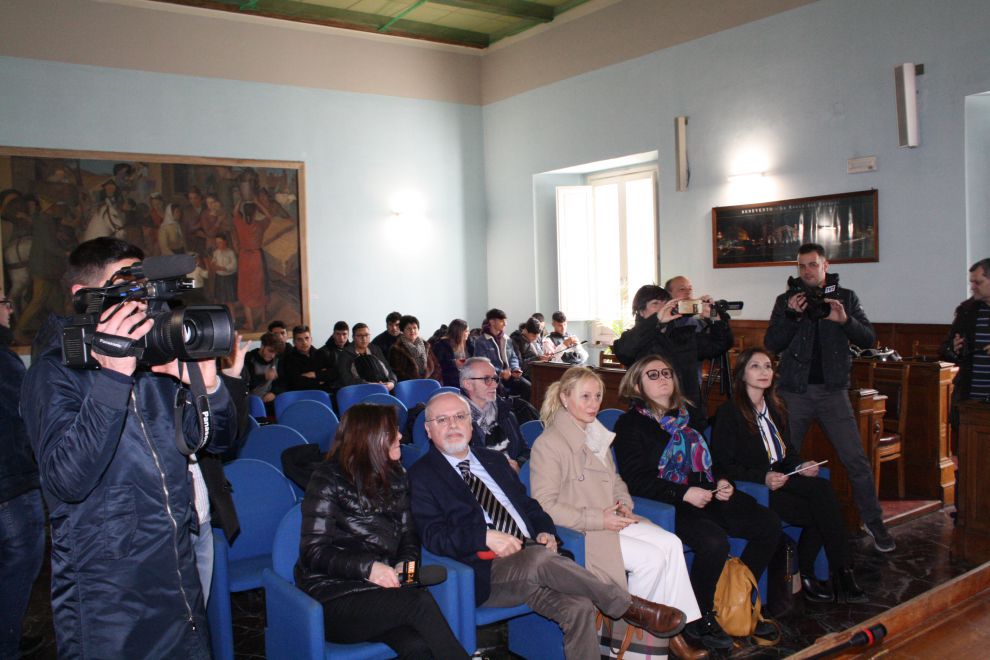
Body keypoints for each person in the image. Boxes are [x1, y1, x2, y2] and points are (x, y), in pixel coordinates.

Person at [20, 237, 236, 658]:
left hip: (177, 572)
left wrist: (208, 387)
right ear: (84, 296)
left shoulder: (154, 363)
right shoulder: (52, 373)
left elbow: (217, 441)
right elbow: (67, 481)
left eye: (145, 290)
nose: (141, 303)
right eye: (127, 288)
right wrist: (113, 379)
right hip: (108, 594)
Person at [409, 392, 688, 660]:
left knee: (579, 607)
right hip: (486, 572)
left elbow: (530, 507)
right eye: (442, 420)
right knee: (538, 558)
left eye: (459, 416)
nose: (453, 425)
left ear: (471, 424)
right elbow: (433, 536)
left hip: (534, 557)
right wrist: (483, 536)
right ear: (428, 429)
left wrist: (546, 531)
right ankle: (626, 606)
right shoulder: (422, 475)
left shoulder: (493, 460)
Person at [529, 367, 706, 660]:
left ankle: (669, 634)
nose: (593, 404)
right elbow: (545, 505)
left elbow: (615, 480)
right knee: (651, 559)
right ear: (564, 398)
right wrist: (600, 519)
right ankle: (632, 647)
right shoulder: (549, 444)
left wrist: (623, 501)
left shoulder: (596, 434)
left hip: (612, 519)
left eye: (598, 396)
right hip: (583, 530)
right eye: (585, 396)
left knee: (671, 543)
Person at [613, 355, 780, 651]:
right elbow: (636, 480)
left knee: (768, 524)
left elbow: (712, 463)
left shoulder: (686, 416)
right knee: (713, 542)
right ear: (636, 386)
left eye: (667, 372)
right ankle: (700, 616)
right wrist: (683, 493)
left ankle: (735, 597)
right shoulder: (630, 424)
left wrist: (723, 482)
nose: (664, 378)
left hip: (707, 494)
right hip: (667, 503)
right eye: (653, 375)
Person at [296, 404, 468, 659]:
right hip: (333, 596)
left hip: (382, 593)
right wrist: (369, 569)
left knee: (417, 645)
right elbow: (314, 552)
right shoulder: (327, 479)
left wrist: (406, 568)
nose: (400, 436)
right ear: (370, 437)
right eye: (392, 432)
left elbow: (409, 535)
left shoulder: (397, 474)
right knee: (418, 603)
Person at [764, 243, 895, 553]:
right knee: (780, 459)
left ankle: (874, 523)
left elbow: (868, 338)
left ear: (825, 266)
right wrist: (792, 316)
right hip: (794, 392)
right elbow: (772, 343)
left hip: (833, 392)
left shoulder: (845, 298)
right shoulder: (786, 300)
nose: (807, 271)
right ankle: (772, 523)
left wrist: (844, 320)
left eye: (813, 264)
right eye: (802, 266)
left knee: (856, 460)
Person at [711, 348, 867, 603]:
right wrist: (763, 478)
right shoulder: (729, 413)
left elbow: (787, 452)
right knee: (823, 511)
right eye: (755, 366)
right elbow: (723, 465)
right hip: (756, 488)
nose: (764, 371)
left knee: (823, 491)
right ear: (741, 374)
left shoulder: (776, 407)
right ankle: (820, 572)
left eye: (768, 366)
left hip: (784, 477)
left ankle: (837, 570)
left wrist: (801, 464)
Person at [612, 284, 732, 425]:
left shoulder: (684, 335)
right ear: (641, 312)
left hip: (689, 416)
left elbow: (720, 344)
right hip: (650, 419)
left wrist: (715, 319)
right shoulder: (634, 339)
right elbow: (624, 351)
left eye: (666, 303)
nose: (663, 307)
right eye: (655, 304)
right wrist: (656, 321)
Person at [0, 289, 45, 658]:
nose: (10, 310)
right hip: (10, 484)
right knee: (19, 566)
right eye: (4, 303)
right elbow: (26, 418)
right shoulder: (4, 362)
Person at [460, 357, 529, 471]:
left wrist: (519, 465)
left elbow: (526, 452)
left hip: (514, 479)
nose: (494, 385)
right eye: (487, 379)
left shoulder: (506, 412)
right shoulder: (456, 421)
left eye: (495, 379)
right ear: (468, 384)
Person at [940, 258, 990, 404]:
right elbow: (945, 349)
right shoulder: (966, 310)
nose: (972, 287)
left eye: (978, 282)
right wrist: (953, 349)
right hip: (970, 396)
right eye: (971, 282)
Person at [473, 308, 531, 401]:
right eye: (501, 321)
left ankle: (520, 408)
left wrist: (515, 368)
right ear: (492, 322)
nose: (505, 324)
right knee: (502, 391)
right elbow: (483, 364)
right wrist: (500, 372)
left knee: (528, 387)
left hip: (509, 375)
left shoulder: (506, 339)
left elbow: (513, 357)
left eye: (505, 320)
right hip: (493, 377)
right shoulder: (481, 341)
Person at [336, 323, 397, 391]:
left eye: (366, 335)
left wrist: (392, 382)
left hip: (383, 387)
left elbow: (389, 369)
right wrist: (368, 384)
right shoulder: (345, 354)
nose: (364, 338)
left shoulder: (375, 349)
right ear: (353, 337)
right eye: (360, 336)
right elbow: (346, 379)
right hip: (359, 390)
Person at [282, 324, 337, 392]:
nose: (304, 342)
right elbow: (296, 383)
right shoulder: (289, 359)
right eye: (299, 339)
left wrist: (315, 374)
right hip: (301, 395)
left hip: (323, 393)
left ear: (311, 339)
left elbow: (334, 373)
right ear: (294, 342)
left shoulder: (321, 353)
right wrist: (320, 380)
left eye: (307, 338)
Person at [389, 315, 441, 382]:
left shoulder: (426, 345)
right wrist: (417, 383)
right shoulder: (396, 349)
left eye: (415, 328)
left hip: (430, 383)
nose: (412, 331)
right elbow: (397, 373)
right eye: (409, 328)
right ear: (402, 331)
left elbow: (437, 367)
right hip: (410, 385)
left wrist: (430, 382)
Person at [242, 331, 283, 411]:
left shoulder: (277, 360)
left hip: (269, 400)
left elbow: (282, 383)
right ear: (262, 346)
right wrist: (264, 376)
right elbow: (244, 384)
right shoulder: (248, 358)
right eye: (270, 351)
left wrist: (274, 393)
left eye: (275, 353)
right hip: (249, 401)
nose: (272, 355)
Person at [432, 318, 470, 387]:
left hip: (463, 379)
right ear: (459, 332)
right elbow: (437, 365)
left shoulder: (467, 344)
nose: (469, 333)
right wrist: (454, 363)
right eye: (466, 331)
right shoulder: (441, 345)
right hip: (448, 382)